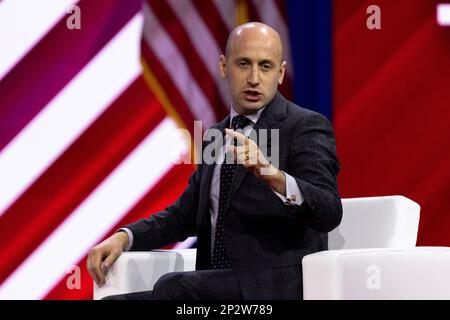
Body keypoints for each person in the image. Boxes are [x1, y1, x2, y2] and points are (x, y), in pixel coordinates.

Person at [87, 22, 342, 300]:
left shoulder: (304, 126)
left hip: (273, 288)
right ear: (224, 66)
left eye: (266, 66)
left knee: (174, 288)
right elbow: (183, 216)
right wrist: (125, 237)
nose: (254, 78)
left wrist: (274, 176)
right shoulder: (216, 136)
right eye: (244, 64)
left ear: (280, 73)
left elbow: (328, 210)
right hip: (213, 286)